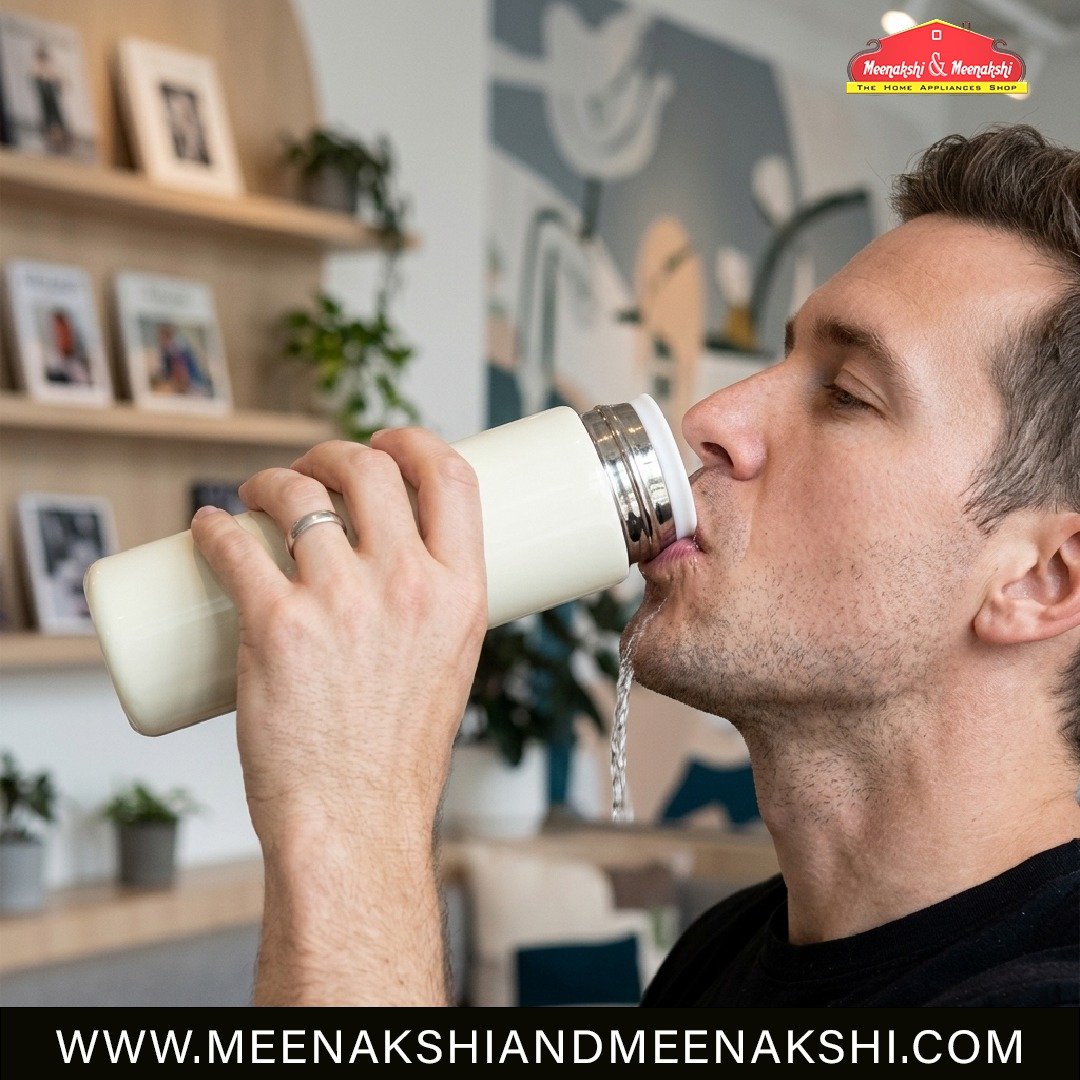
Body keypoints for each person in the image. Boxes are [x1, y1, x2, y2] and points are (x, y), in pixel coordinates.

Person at [190, 125, 1079, 1007]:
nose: (713, 415)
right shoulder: (720, 955)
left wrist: (356, 810)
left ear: (1043, 580)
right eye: (783, 357)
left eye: (847, 394)